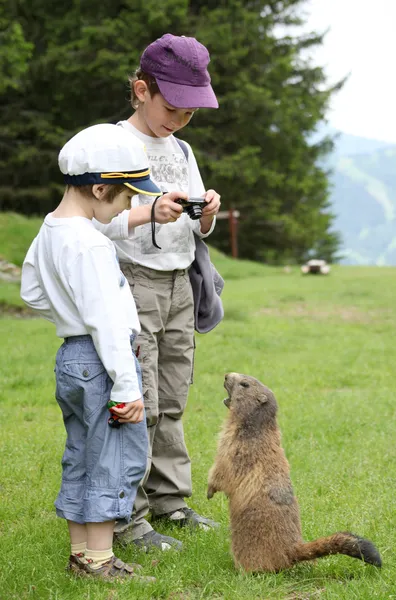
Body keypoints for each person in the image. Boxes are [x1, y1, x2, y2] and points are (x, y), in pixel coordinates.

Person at [20, 123, 189, 580]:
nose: (130, 207)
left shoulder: (53, 229)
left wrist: (66, 312)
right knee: (111, 460)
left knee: (81, 454)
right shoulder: (92, 244)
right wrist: (127, 387)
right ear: (99, 189)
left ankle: (81, 554)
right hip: (103, 363)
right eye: (127, 197)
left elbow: (32, 290)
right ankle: (99, 560)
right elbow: (110, 327)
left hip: (71, 360)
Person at [94, 33, 222, 552]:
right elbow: (94, 220)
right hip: (134, 282)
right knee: (136, 396)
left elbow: (194, 224)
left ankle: (170, 500)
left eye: (191, 112)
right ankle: (127, 516)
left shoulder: (182, 148)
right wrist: (150, 211)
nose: (180, 120)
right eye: (172, 108)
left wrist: (204, 214)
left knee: (171, 396)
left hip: (179, 283)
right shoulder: (113, 144)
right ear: (141, 90)